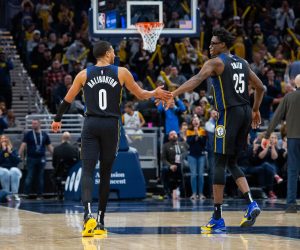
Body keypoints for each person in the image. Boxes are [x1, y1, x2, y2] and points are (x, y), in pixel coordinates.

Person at [51, 40, 172, 237]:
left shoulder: (83, 74)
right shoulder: (121, 72)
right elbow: (141, 95)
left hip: (90, 125)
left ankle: (87, 216)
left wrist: (57, 120)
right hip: (111, 125)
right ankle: (100, 222)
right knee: (105, 174)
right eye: (113, 51)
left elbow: (67, 100)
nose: (115, 53)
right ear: (107, 53)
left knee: (88, 171)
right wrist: (154, 93)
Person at [165, 27, 265, 233]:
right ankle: (251, 203)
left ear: (224, 45)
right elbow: (261, 87)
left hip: (228, 114)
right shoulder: (243, 63)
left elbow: (195, 80)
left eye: (213, 43)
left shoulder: (216, 62)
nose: (210, 46)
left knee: (218, 161)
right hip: (245, 112)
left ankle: (217, 217)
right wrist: (255, 110)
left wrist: (173, 93)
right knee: (231, 162)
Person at [263, 74, 300, 213]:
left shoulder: (288, 97)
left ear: (295, 84)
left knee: (292, 171)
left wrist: (267, 136)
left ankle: (291, 204)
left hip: (293, 138)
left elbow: (276, 117)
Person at [18, 119, 53, 199]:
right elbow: (23, 145)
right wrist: (18, 155)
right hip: (31, 158)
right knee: (29, 176)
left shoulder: (44, 134)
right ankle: (25, 194)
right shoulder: (29, 134)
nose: (33, 125)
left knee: (40, 177)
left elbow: (49, 147)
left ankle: (40, 195)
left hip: (41, 158)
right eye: (32, 123)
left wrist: (55, 155)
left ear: (39, 124)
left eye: (35, 123)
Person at [161, 130, 189, 199]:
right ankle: (167, 192)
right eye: (171, 134)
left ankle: (183, 192)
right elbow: (163, 159)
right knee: (164, 170)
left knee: (183, 168)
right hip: (171, 165)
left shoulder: (183, 144)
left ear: (177, 136)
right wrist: (170, 166)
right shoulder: (165, 146)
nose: (173, 135)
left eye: (175, 134)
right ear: (169, 137)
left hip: (182, 164)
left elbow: (189, 152)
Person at [52, 131, 79, 199]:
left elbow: (54, 163)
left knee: (53, 176)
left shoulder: (56, 149)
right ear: (69, 138)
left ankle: (58, 193)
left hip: (59, 173)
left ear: (62, 138)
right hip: (72, 173)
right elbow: (78, 162)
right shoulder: (74, 149)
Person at [186, 116, 207, 200]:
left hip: (201, 155)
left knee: (201, 175)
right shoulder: (189, 131)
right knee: (194, 175)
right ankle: (194, 193)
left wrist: (198, 134)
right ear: (192, 122)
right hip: (192, 155)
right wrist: (195, 135)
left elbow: (203, 143)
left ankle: (201, 193)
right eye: (194, 120)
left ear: (199, 122)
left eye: (197, 120)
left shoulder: (203, 131)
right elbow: (189, 143)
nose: (195, 121)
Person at [0, 135, 22, 201]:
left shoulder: (13, 150)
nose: (4, 141)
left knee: (14, 170)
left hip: (12, 168)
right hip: (1, 169)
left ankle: (15, 194)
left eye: (5, 139)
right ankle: (7, 194)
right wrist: (3, 151)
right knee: (5, 171)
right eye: (2, 139)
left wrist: (10, 153)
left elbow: (18, 161)